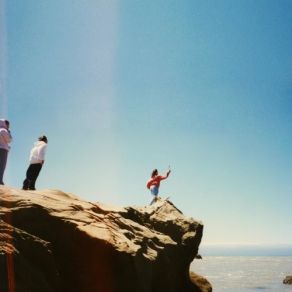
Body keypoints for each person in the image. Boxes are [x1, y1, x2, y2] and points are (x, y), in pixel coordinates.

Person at [0, 119, 12, 185]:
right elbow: (9, 140)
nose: (8, 126)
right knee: (2, 165)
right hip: (3, 149)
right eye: (8, 124)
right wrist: (9, 133)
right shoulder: (4, 130)